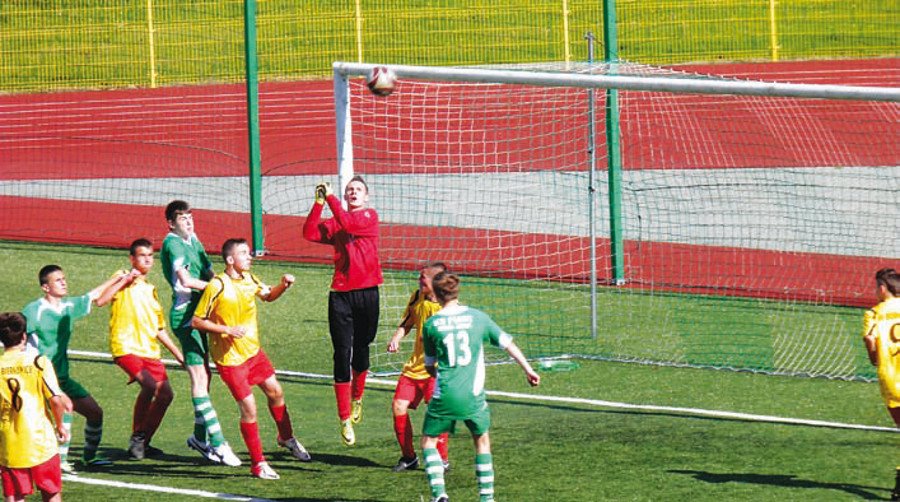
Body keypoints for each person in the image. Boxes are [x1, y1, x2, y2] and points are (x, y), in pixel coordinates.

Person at [192, 238, 311, 480]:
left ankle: (286, 438)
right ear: (230, 259)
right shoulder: (217, 286)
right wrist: (226, 330)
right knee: (249, 408)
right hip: (230, 360)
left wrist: (282, 286)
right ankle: (258, 464)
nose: (249, 257)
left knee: (276, 392)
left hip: (253, 352)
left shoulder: (249, 278)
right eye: (244, 253)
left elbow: (267, 295)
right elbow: (196, 321)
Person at [420, 272, 541, 502]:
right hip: (473, 395)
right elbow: (508, 344)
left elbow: (429, 366)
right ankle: (486, 498)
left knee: (429, 441)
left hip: (445, 394)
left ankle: (439, 495)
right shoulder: (478, 318)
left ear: (436, 294)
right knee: (482, 440)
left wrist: (442, 375)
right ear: (457, 291)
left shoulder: (431, 324)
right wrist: (528, 369)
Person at [22, 265, 130, 472]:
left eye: (64, 279)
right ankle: (60, 462)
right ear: (45, 287)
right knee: (66, 407)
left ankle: (89, 458)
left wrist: (117, 278)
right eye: (58, 280)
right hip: (40, 377)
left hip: (61, 378)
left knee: (95, 413)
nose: (64, 282)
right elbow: (13, 334)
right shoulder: (34, 311)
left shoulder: (68, 307)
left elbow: (92, 296)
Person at [302, 176, 383, 446]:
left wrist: (331, 198)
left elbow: (349, 224)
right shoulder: (337, 220)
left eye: (358, 189)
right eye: (349, 190)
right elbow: (309, 233)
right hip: (340, 295)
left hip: (368, 292)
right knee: (341, 353)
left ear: (366, 197)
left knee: (362, 348)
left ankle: (357, 396)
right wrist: (318, 204)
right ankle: (344, 416)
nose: (353, 192)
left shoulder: (369, 216)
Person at [160, 200, 240, 466]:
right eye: (182, 218)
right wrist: (218, 289)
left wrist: (228, 284)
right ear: (171, 224)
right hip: (186, 319)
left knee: (206, 378)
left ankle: (198, 438)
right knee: (199, 377)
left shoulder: (194, 240)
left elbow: (209, 272)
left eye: (190, 217)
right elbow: (186, 281)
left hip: (202, 314)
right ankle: (218, 442)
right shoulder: (173, 244)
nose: (189, 222)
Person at [96, 239, 185, 460]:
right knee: (149, 385)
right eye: (142, 255)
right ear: (132, 259)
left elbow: (159, 329)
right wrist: (125, 279)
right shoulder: (122, 276)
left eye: (150, 255)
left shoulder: (150, 290)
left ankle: (144, 443)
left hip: (150, 352)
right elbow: (101, 300)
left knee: (165, 396)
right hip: (126, 347)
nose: (147, 259)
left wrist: (178, 354)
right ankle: (137, 436)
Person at [386, 262, 450, 472]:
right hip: (415, 366)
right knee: (398, 407)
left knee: (436, 413)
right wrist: (396, 338)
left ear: (436, 282)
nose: (419, 280)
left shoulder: (449, 307)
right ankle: (409, 457)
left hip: (438, 369)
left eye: (423, 277)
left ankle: (442, 460)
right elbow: (407, 323)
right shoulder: (417, 297)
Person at [0, 312, 70, 502]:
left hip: (9, 442)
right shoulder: (39, 362)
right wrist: (60, 425)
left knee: (14, 495)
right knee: (51, 492)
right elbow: (56, 400)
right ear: (24, 337)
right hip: (41, 440)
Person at [862, 267, 900, 501]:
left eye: (876, 287)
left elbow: (870, 340)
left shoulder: (874, 313)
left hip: (892, 380)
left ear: (883, 288)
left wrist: (873, 355)